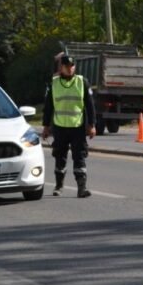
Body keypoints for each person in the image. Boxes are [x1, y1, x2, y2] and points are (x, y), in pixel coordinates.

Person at [42, 54, 97, 197]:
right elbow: (48, 107)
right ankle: (59, 186)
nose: (70, 68)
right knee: (60, 156)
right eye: (67, 66)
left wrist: (91, 125)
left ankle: (81, 188)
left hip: (77, 127)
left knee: (79, 156)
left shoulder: (82, 82)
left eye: (72, 66)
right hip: (60, 127)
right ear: (62, 67)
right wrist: (46, 127)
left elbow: (90, 106)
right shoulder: (53, 84)